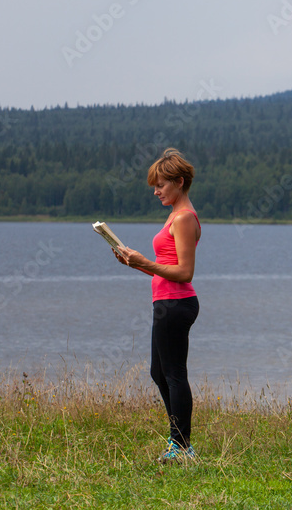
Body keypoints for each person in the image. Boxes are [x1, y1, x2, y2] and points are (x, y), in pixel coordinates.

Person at [114, 148, 201, 463]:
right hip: (165, 301)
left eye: (161, 185)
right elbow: (163, 266)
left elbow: (185, 273)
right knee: (159, 372)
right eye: (155, 185)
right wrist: (133, 263)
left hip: (177, 303)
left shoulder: (185, 218)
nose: (156, 191)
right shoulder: (174, 215)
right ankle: (179, 441)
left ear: (179, 182)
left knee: (174, 373)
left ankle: (181, 446)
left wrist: (144, 261)